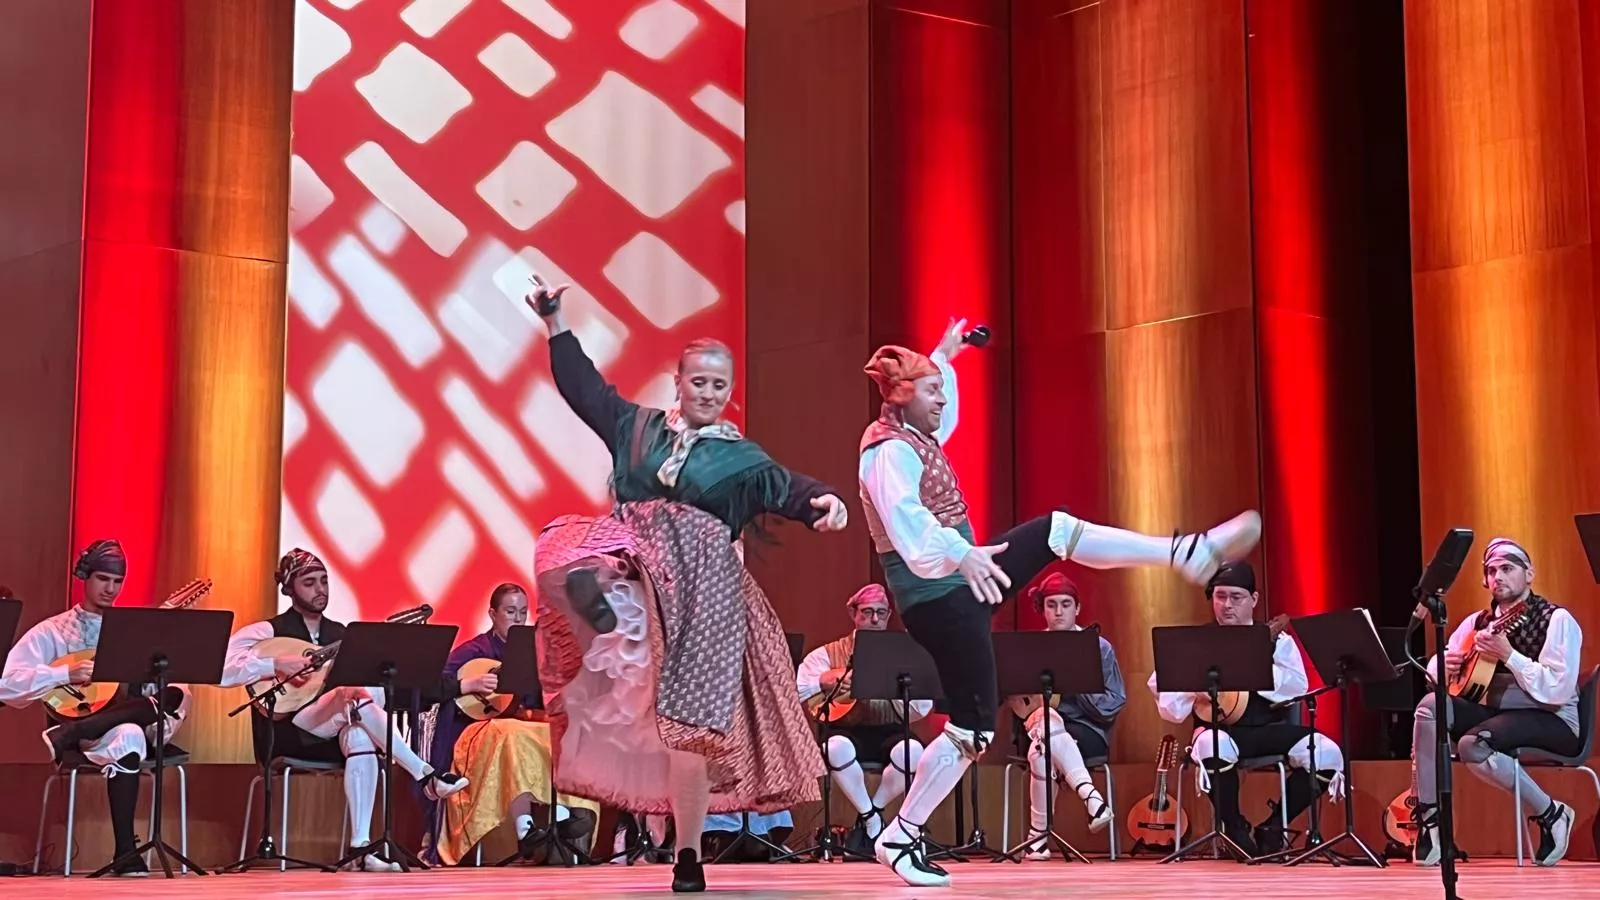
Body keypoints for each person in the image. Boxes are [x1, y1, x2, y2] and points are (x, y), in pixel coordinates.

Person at [858, 323, 1262, 887]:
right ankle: (900, 835)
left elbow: (936, 409)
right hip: (941, 598)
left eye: (941, 388)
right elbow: (911, 528)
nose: (943, 400)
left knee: (1058, 529)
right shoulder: (885, 454)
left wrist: (946, 355)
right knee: (973, 730)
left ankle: (1183, 551)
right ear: (903, 398)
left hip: (960, 580)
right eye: (932, 391)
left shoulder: (913, 435)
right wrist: (962, 554)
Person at [525, 274, 848, 893]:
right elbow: (584, 389)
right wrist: (555, 323)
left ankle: (689, 853)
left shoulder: (742, 459)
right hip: (634, 568)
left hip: (705, 590)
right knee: (562, 551)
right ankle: (611, 643)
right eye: (697, 381)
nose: (707, 392)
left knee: (691, 728)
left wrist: (825, 503)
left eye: (718, 385)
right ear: (678, 381)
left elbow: (791, 488)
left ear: (729, 392)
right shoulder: (636, 427)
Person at [220, 548, 469, 872]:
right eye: (310, 582)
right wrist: (276, 663)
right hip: (288, 734)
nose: (320, 589)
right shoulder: (269, 631)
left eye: (324, 581)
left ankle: (361, 849)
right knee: (353, 696)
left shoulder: (342, 635)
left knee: (359, 733)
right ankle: (425, 775)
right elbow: (221, 669)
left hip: (333, 732)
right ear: (289, 588)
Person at [0, 540, 191, 876]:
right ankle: (76, 730)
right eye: (103, 579)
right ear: (84, 577)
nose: (111, 589)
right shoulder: (54, 631)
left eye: (118, 582)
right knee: (137, 722)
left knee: (168, 699)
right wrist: (64, 672)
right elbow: (8, 683)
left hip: (118, 727)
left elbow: (150, 687)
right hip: (81, 725)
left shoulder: (131, 629)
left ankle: (124, 853)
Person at [1147, 561, 1343, 857]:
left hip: (1268, 730)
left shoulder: (1276, 641)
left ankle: (1274, 827)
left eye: (1236, 597)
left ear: (1254, 599)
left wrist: (1253, 667)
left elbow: (1298, 687)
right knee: (1214, 745)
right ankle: (1235, 828)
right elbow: (1166, 701)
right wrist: (1191, 685)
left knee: (1328, 754)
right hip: (1219, 731)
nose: (1227, 605)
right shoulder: (1195, 643)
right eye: (1220, 596)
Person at [1409, 538, 1580, 867]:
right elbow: (1435, 665)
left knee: (1474, 744)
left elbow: (1558, 690)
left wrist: (1510, 656)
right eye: (1491, 570)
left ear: (1529, 574)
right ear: (1484, 580)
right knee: (1430, 706)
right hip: (1499, 714)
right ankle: (1430, 823)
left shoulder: (1557, 619)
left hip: (1551, 716)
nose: (1498, 576)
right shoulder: (1478, 622)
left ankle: (1552, 813)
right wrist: (1445, 665)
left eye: (1507, 568)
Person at [425, 582, 598, 864]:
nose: (517, 619)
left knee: (562, 734)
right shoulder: (474, 650)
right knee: (509, 734)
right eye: (510, 611)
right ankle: (525, 827)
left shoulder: (534, 652)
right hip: (478, 732)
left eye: (522, 612)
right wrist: (468, 684)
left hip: (522, 725)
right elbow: (433, 685)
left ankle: (564, 814)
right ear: (492, 614)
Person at [795, 583, 932, 854]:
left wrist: (897, 688)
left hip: (889, 729)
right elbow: (802, 689)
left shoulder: (904, 653)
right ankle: (872, 820)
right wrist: (826, 679)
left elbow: (922, 706)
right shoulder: (827, 653)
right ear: (853, 614)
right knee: (835, 748)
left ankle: (872, 814)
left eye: (881, 613)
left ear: (889, 614)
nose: (874, 619)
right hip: (844, 728)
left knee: (914, 752)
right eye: (867, 612)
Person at [1010, 571, 1124, 859]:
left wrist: (1077, 681)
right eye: (1051, 605)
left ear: (1078, 608)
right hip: (1038, 727)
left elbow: (1115, 702)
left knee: (1040, 750)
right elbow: (1018, 703)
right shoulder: (1032, 649)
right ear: (1043, 609)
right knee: (1045, 724)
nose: (1058, 612)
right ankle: (1093, 799)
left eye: (1065, 604)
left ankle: (1037, 839)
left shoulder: (1099, 647)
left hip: (1088, 732)